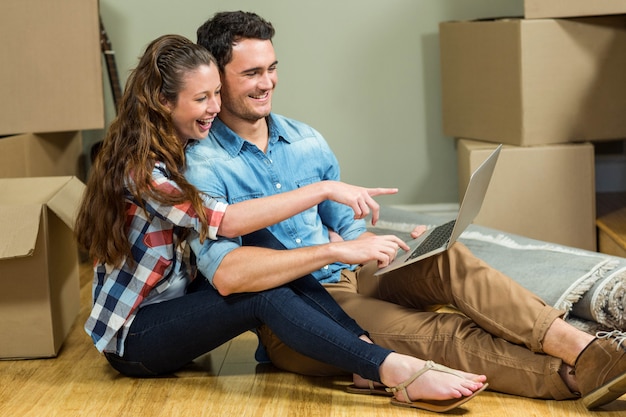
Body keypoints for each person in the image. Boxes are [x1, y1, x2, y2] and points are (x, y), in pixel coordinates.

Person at [187, 10, 626, 410]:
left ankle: (586, 349)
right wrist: (333, 252)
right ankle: (570, 376)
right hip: (303, 314)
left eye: (272, 68)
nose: (267, 83)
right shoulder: (201, 163)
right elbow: (228, 275)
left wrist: (385, 246)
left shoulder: (304, 140)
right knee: (439, 332)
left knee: (448, 259)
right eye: (252, 73)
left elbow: (347, 229)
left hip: (351, 278)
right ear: (215, 79)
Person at [74, 33, 489, 413]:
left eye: (217, 93)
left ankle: (360, 351)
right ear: (164, 102)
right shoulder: (144, 170)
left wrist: (343, 234)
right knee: (259, 294)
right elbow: (227, 220)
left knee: (266, 247)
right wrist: (325, 193)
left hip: (177, 298)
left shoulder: (179, 148)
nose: (215, 108)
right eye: (202, 99)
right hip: (136, 338)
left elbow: (244, 228)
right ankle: (388, 369)